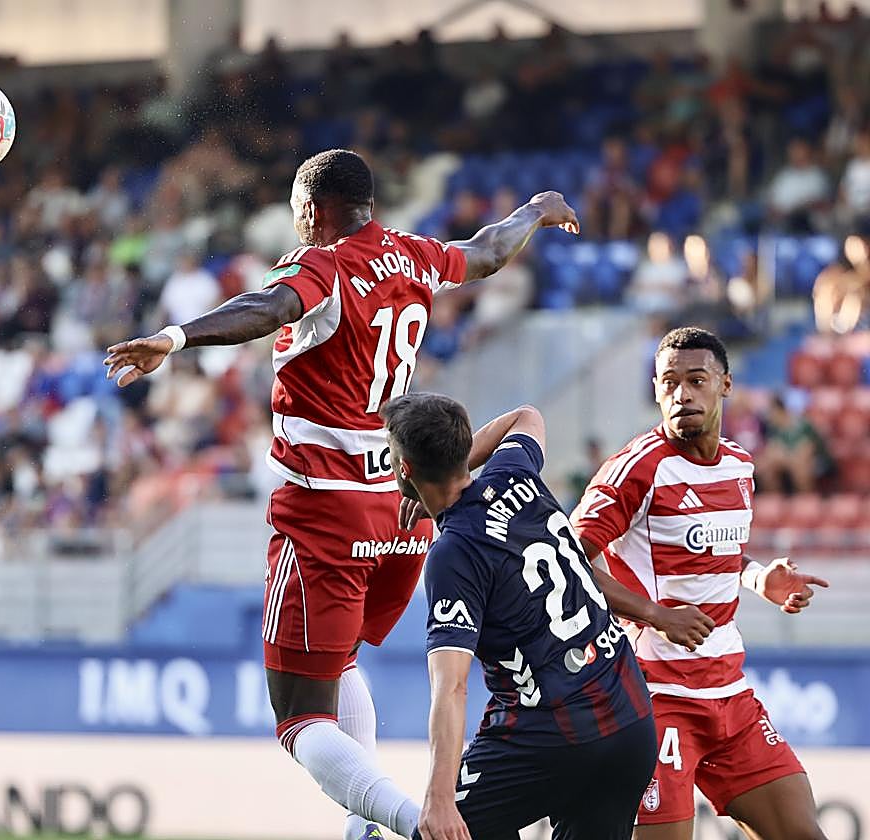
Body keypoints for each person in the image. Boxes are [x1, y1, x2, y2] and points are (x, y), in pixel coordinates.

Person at [105, 149, 578, 840]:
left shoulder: (322, 264)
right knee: (342, 659)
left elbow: (268, 306)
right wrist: (534, 210)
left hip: (326, 512)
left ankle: (416, 824)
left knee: (299, 717)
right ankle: (365, 829)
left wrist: (175, 337)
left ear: (312, 211)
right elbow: (485, 253)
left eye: (299, 213)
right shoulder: (414, 254)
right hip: (403, 512)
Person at [569, 327, 831, 840]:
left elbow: (714, 551)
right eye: (669, 383)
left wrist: (757, 577)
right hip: (654, 697)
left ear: (725, 385)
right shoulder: (636, 468)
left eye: (696, 380)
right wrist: (655, 614)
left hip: (730, 693)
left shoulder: (739, 465)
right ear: (655, 388)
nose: (682, 394)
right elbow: (565, 559)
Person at [384, 394, 654, 840]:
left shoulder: (454, 553)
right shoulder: (513, 471)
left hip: (553, 733)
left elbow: (451, 686)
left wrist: (440, 797)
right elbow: (526, 416)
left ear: (404, 468)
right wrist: (451, 462)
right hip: (630, 720)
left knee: (438, 834)